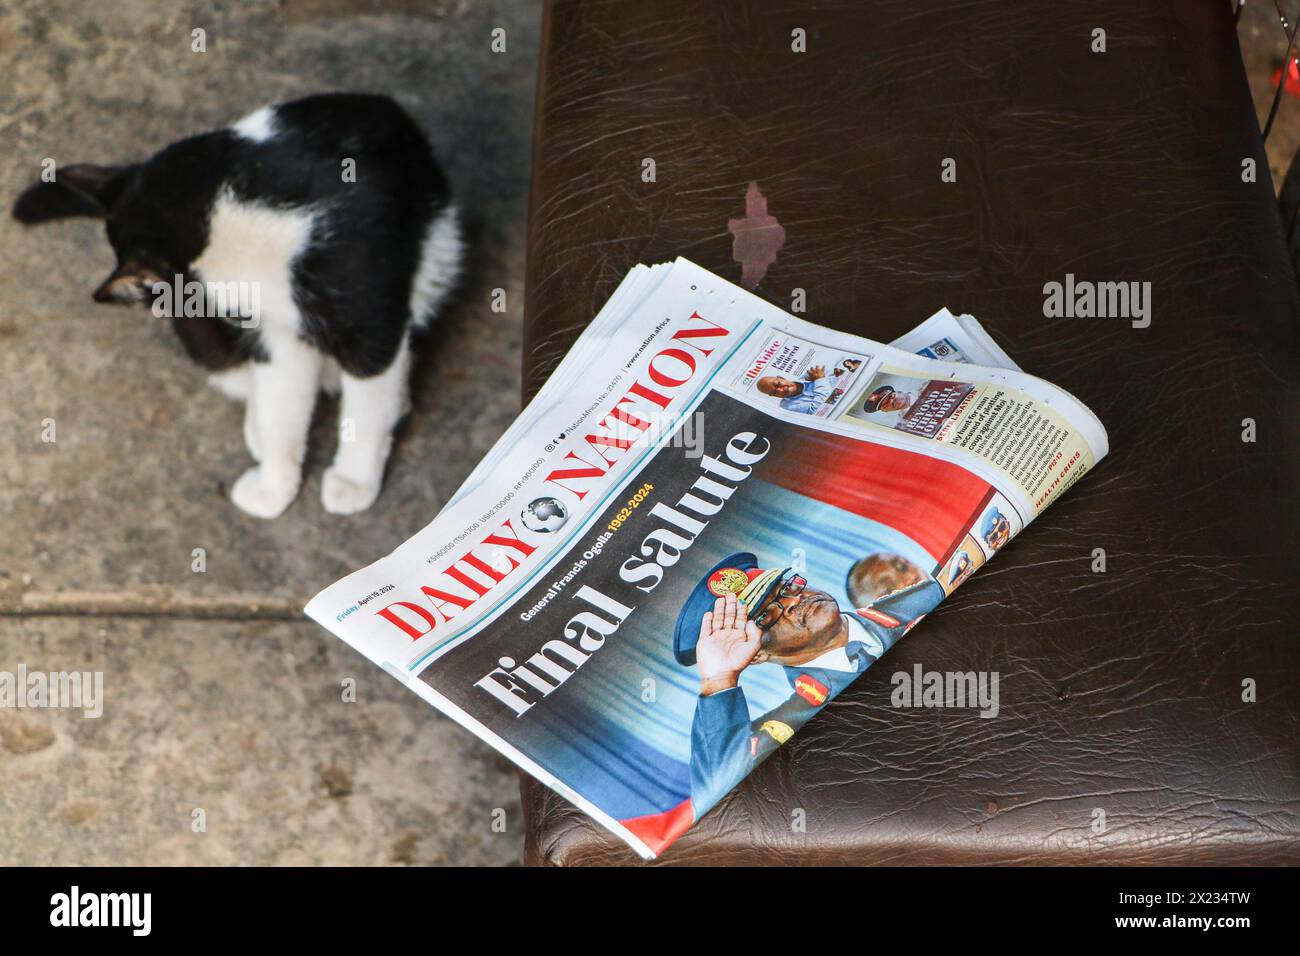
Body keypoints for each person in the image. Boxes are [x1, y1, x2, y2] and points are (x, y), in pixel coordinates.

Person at [673, 553, 944, 814]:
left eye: (786, 588)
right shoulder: (793, 725)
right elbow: (721, 801)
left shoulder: (923, 596)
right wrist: (720, 678)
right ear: (756, 653)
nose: (792, 602)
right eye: (766, 615)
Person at [756, 365, 837, 414]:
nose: (781, 390)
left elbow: (839, 375)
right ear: (772, 396)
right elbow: (822, 408)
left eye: (778, 384)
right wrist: (820, 380)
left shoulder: (811, 373)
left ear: (781, 378)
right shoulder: (787, 407)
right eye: (774, 392)